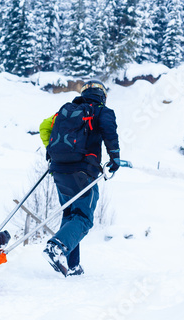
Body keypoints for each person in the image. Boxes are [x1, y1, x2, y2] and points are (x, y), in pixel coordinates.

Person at [39, 80, 120, 277]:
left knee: (70, 215)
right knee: (83, 218)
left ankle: (73, 265)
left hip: (58, 170)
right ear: (102, 95)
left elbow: (44, 127)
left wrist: (51, 151)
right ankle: (56, 247)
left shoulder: (65, 111)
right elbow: (109, 132)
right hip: (84, 171)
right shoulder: (102, 111)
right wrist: (115, 157)